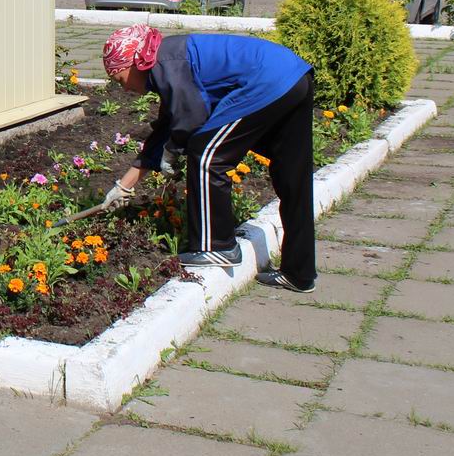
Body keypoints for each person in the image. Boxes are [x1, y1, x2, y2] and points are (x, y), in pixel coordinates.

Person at [100, 26, 319, 292]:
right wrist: (124, 186)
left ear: (134, 62)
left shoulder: (166, 63)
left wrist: (175, 147)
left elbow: (191, 120)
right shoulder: (166, 59)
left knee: (206, 157)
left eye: (121, 79)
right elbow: (166, 129)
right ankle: (299, 273)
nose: (124, 89)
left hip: (268, 81)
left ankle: (216, 246)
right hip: (294, 77)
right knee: (292, 175)